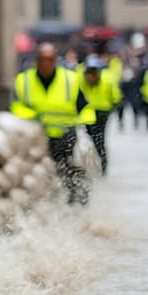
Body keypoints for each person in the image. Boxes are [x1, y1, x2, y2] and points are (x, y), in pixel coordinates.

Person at [11, 42, 96, 205]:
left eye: (50, 59)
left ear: (55, 60)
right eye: (43, 59)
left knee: (71, 169)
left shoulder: (70, 79)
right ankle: (44, 202)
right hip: (36, 138)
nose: (46, 64)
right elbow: (16, 106)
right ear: (37, 61)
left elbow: (84, 107)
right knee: (38, 173)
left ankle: (75, 202)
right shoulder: (24, 80)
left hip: (66, 136)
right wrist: (35, 117)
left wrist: (85, 122)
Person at [80, 56, 120, 174]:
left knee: (98, 139)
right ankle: (99, 164)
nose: (91, 75)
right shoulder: (82, 80)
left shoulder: (107, 79)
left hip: (99, 112)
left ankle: (102, 165)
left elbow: (116, 97)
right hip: (90, 112)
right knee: (94, 139)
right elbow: (116, 97)